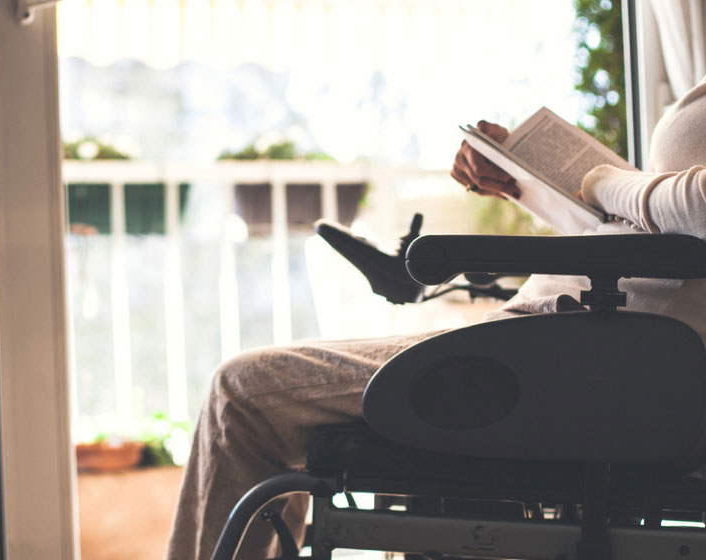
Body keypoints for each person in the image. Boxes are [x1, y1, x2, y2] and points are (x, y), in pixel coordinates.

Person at [166, 73, 706, 560]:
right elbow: (656, 235)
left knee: (242, 394)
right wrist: (522, 180)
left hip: (576, 368)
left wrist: (601, 179)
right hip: (566, 351)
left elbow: (695, 208)